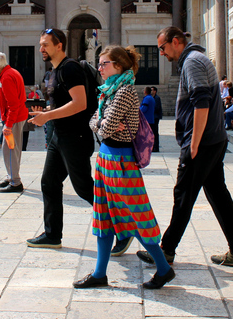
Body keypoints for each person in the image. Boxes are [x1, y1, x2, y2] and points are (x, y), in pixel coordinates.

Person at [139, 27, 233, 268]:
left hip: (202, 142)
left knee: (184, 195)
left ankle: (166, 251)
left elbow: (201, 102)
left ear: (176, 42)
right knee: (218, 196)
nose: (162, 53)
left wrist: (193, 144)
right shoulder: (196, 59)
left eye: (163, 48)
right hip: (214, 139)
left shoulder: (192, 62)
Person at [74, 45, 175, 290]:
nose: (99, 68)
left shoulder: (125, 92)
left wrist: (101, 123)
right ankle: (100, 273)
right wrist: (101, 123)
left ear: (118, 65)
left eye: (104, 63)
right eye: (99, 63)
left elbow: (103, 127)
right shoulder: (107, 91)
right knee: (103, 217)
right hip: (105, 160)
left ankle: (163, 268)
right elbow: (94, 120)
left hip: (121, 163)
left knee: (136, 217)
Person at [27, 28, 95, 248]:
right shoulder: (55, 71)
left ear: (59, 46)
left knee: (85, 188)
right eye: (40, 44)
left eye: (46, 44)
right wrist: (45, 111)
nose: (41, 49)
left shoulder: (70, 68)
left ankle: (122, 228)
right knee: (49, 182)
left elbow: (80, 103)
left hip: (75, 136)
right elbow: (63, 102)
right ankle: (52, 234)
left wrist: (47, 116)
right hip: (59, 136)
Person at [0, 52, 29, 194]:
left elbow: (13, 104)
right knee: (9, 149)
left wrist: (8, 124)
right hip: (16, 117)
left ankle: (15, 182)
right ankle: (11, 176)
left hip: (14, 118)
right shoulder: (10, 72)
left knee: (10, 149)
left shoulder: (6, 77)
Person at [151, 86, 163, 152]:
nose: (151, 91)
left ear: (155, 91)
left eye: (152, 90)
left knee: (155, 132)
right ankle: (153, 146)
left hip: (155, 117)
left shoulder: (157, 98)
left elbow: (157, 107)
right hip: (153, 117)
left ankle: (156, 147)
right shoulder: (152, 98)